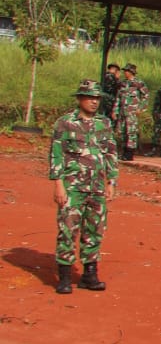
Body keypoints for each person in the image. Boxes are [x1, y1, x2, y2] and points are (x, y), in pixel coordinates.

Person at [48, 79, 118, 294]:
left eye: (97, 98)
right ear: (79, 98)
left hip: (96, 187)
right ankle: (65, 277)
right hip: (72, 187)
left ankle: (89, 275)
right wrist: (58, 185)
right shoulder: (65, 123)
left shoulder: (104, 123)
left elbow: (110, 152)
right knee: (67, 229)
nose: (94, 102)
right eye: (90, 97)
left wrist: (111, 181)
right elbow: (56, 155)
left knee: (95, 229)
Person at [112, 63, 149, 161]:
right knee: (122, 132)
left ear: (131, 72)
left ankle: (129, 153)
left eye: (126, 71)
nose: (125, 73)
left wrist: (140, 108)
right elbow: (118, 98)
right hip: (122, 112)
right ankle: (123, 151)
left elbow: (146, 96)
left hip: (132, 112)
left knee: (131, 132)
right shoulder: (123, 83)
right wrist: (115, 111)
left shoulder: (138, 83)